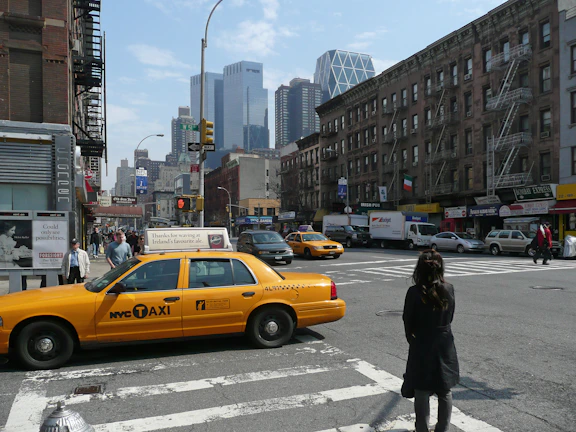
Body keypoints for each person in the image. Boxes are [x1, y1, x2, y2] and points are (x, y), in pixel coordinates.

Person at [402, 249, 459, 432]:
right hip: (444, 341)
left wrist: (413, 340)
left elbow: (408, 321)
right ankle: (443, 428)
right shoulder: (448, 288)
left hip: (422, 342)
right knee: (444, 389)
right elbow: (450, 316)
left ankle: (422, 429)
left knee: (421, 388)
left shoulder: (414, 292)